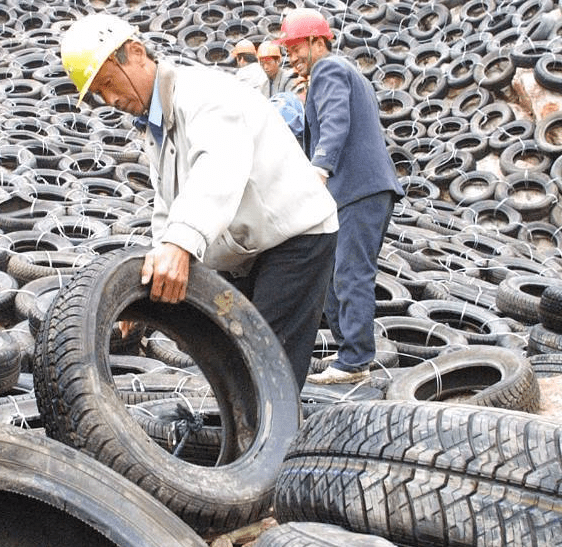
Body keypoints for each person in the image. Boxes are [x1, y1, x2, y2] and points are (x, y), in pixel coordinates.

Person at [60, 13, 338, 391]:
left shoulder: (203, 93)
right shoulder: (154, 126)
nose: (111, 100)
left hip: (295, 237)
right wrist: (147, 285)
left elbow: (219, 165)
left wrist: (180, 243)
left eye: (108, 83)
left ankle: (279, 442)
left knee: (270, 369)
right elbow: (168, 206)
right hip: (247, 246)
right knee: (234, 357)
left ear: (137, 52)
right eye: (98, 94)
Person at [275, 8, 405, 384]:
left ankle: (355, 361)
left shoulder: (329, 71)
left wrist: (320, 168)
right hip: (354, 191)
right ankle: (350, 352)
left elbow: (335, 123)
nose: (293, 57)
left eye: (297, 48)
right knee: (334, 276)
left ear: (318, 41)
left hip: (357, 189)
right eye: (289, 50)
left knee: (350, 275)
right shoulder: (344, 73)